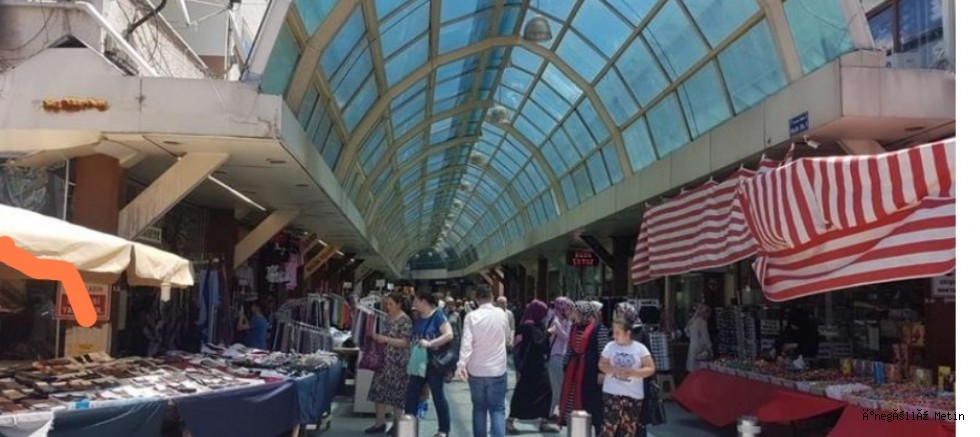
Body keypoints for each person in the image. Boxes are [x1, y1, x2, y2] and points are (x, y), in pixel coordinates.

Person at [457, 286, 510, 437]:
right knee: (497, 409)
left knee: (479, 408)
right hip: (497, 369)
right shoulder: (501, 314)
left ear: (477, 299)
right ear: (492, 297)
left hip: (476, 370)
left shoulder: (471, 317)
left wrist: (462, 364)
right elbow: (507, 337)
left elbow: (467, 343)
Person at [404, 291, 455, 437]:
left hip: (433, 363)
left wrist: (430, 343)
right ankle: (408, 428)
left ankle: (443, 430)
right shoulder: (418, 317)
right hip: (419, 362)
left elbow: (449, 334)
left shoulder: (438, 315)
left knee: (438, 396)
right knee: (411, 394)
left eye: (416, 300)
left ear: (424, 301)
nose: (414, 304)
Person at [598, 318, 657, 437]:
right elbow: (601, 364)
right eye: (613, 332)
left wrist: (633, 373)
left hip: (633, 394)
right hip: (612, 392)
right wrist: (615, 370)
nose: (614, 336)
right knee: (608, 426)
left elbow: (650, 368)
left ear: (628, 333)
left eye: (617, 333)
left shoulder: (640, 348)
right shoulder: (610, 346)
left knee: (628, 428)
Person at [506, 300, 558, 434]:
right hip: (529, 366)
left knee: (546, 391)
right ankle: (510, 420)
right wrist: (549, 332)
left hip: (539, 365)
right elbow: (537, 341)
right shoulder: (528, 326)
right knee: (522, 393)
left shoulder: (536, 324)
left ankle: (543, 421)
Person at [558, 301, 609, 435]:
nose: (573, 315)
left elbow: (603, 353)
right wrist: (566, 366)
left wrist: (602, 372)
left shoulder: (599, 329)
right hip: (574, 372)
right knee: (575, 405)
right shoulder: (575, 327)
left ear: (583, 313)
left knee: (593, 405)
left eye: (575, 312)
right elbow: (570, 349)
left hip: (591, 372)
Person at [366, 293, 414, 435]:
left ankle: (396, 425)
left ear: (399, 304)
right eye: (387, 304)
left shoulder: (405, 320)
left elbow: (405, 342)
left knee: (397, 394)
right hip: (384, 361)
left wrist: (385, 339)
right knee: (378, 391)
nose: (388, 307)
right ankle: (379, 423)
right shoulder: (385, 318)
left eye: (391, 304)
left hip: (398, 362)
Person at [614, 302, 654, 436]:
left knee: (637, 420)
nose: (618, 316)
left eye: (621, 313)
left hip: (637, 383)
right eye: (617, 313)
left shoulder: (640, 332)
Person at [547, 297, 573, 421]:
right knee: (557, 388)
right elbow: (566, 337)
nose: (570, 311)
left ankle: (555, 412)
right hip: (555, 356)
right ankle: (551, 413)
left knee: (561, 386)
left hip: (562, 356)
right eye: (568, 308)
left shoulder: (564, 321)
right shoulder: (555, 320)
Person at [685, 304, 713, 372]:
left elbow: (687, 332)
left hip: (692, 346)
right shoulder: (702, 322)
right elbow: (705, 336)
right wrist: (710, 347)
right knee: (701, 368)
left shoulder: (692, 321)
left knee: (692, 367)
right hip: (701, 347)